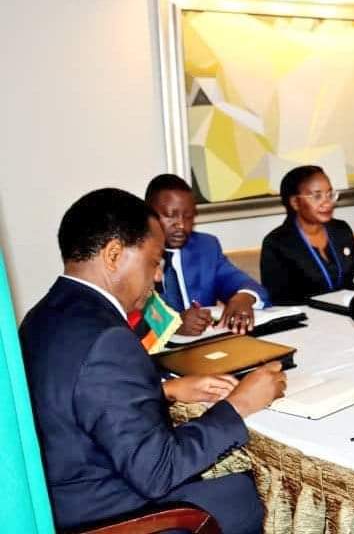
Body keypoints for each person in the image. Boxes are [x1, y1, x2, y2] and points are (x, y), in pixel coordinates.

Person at [18, 188, 286, 533]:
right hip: (111, 514)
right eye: (154, 261)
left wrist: (166, 390)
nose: (158, 276)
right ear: (114, 254)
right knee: (256, 492)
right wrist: (239, 404)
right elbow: (158, 471)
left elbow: (75, 400)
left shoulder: (41, 316)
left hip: (61, 499)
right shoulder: (108, 339)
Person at [145, 174, 270, 336]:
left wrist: (244, 297)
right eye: (170, 215)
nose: (181, 225)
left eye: (189, 216)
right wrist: (173, 325)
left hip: (207, 341)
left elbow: (244, 283)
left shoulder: (205, 247)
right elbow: (130, 314)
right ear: (148, 214)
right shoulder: (133, 256)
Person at [261, 165, 354, 304]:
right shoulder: (277, 243)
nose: (327, 203)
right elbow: (279, 301)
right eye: (317, 196)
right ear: (295, 202)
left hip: (348, 310)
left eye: (330, 194)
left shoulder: (341, 230)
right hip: (307, 316)